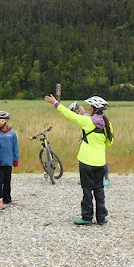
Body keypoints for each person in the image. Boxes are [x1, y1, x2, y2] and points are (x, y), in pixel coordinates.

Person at [45, 94, 114, 225]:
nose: (88, 109)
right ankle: (101, 218)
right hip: (100, 162)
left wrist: (55, 103)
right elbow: (109, 142)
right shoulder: (107, 123)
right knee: (99, 190)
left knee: (87, 190)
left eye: (89, 107)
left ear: (94, 109)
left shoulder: (87, 121)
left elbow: (69, 115)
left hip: (86, 161)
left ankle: (87, 217)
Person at [69, 101, 110, 187]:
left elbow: (89, 129)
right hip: (94, 141)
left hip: (94, 142)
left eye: (74, 112)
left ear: (76, 110)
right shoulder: (85, 114)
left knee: (92, 161)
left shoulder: (85, 116)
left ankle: (105, 179)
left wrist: (82, 139)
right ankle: (100, 179)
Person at [0, 110, 19, 209]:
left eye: (1, 119)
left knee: (7, 180)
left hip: (8, 161)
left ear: (6, 120)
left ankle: (7, 199)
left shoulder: (12, 133)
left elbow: (15, 146)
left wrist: (15, 159)